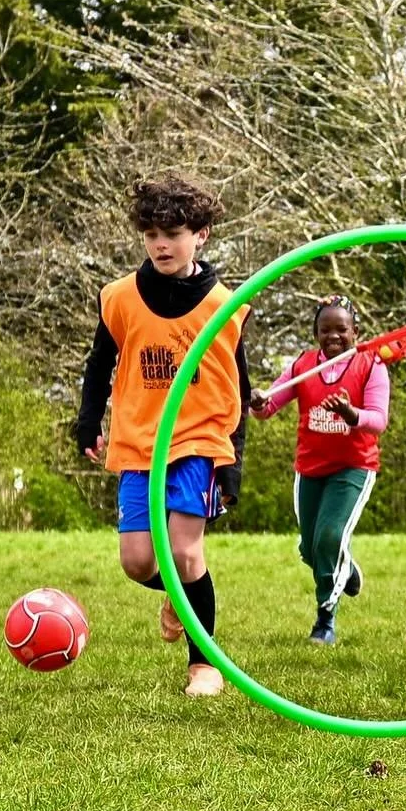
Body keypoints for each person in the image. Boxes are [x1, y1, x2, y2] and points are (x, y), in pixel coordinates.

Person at [75, 175, 250, 698]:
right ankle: (179, 595)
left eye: (172, 233)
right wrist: (88, 421)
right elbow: (98, 365)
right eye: (150, 233)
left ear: (203, 235)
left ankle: (205, 665)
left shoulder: (224, 304)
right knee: (138, 562)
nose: (160, 244)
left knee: (185, 552)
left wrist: (232, 464)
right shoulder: (120, 299)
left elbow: (235, 385)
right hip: (138, 442)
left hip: (197, 439)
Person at [250, 294, 390, 645]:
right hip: (310, 467)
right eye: (325, 329)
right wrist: (258, 401)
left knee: (329, 538)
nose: (333, 336)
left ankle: (325, 619)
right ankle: (347, 570)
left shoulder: (370, 365)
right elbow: (269, 406)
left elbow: (378, 420)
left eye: (341, 329)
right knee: (309, 550)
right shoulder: (303, 365)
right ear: (315, 333)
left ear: (355, 331)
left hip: (353, 468)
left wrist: (351, 414)